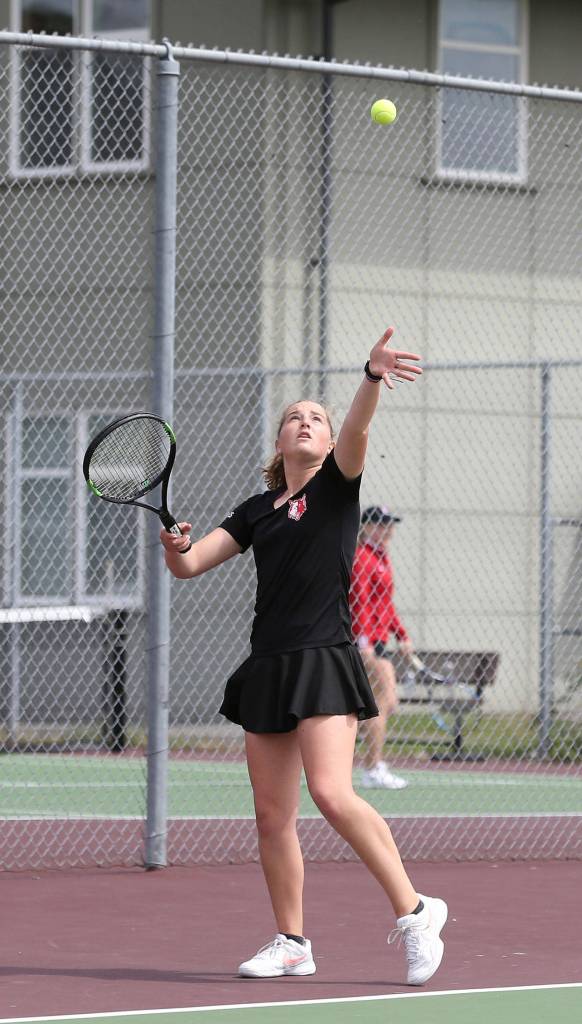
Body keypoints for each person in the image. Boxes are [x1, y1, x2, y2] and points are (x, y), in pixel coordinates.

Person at [160, 327, 447, 986]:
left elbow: (357, 432)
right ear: (281, 440)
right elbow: (192, 564)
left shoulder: (339, 487)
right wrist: (176, 545)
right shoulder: (256, 510)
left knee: (332, 793)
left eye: (316, 418)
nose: (307, 423)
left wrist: (370, 378)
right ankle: (292, 942)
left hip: (325, 658)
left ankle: (417, 911)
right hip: (270, 664)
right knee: (272, 817)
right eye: (296, 418)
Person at [350, 506, 415, 790]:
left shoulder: (381, 557)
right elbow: (359, 600)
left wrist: (401, 634)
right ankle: (373, 767)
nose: (387, 530)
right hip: (364, 642)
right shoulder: (362, 558)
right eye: (380, 525)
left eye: (389, 525)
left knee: (381, 703)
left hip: (379, 639)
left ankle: (369, 761)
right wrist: (363, 641)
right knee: (382, 700)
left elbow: (384, 602)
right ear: (366, 527)